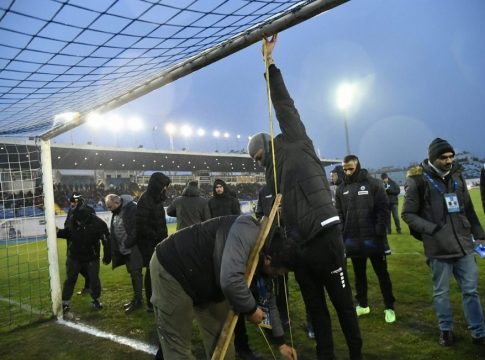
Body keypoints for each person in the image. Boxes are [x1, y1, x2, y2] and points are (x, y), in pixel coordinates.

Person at [247, 34, 362, 360]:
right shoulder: (268, 183)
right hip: (300, 252)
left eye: (259, 155)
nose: (259, 162)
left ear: (267, 143)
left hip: (325, 238)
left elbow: (284, 104)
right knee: (316, 311)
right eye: (255, 160)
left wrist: (269, 65)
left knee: (342, 304)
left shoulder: (295, 139)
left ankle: (356, 353)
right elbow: (271, 222)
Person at [150, 215, 298, 360]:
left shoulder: (264, 258)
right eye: (279, 272)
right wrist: (251, 309)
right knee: (178, 348)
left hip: (209, 281)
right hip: (173, 269)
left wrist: (281, 343)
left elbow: (269, 304)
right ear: (268, 259)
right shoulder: (246, 230)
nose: (277, 276)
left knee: (222, 341)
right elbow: (230, 280)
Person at [402, 138, 485, 346]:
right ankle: (446, 330)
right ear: (432, 159)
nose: (449, 161)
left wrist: (479, 233)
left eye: (451, 156)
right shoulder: (418, 180)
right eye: (443, 158)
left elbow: (468, 208)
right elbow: (408, 214)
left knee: (471, 291)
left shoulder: (458, 174)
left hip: (464, 244)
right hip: (438, 248)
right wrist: (433, 230)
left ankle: (479, 331)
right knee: (442, 293)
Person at [335, 155, 396, 323]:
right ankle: (363, 305)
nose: (347, 172)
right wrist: (342, 231)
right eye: (344, 169)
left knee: (382, 274)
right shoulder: (341, 189)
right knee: (358, 275)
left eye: (350, 168)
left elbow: (383, 210)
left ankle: (389, 307)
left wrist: (378, 232)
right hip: (353, 240)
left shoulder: (373, 184)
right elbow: (338, 213)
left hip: (373, 240)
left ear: (358, 165)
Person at [58, 207, 110, 313]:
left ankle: (96, 299)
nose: (76, 222)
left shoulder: (98, 223)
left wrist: (107, 254)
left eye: (78, 221)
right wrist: (58, 232)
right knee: (70, 279)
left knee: (94, 279)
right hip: (74, 256)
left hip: (91, 256)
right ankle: (65, 302)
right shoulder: (72, 220)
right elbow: (68, 233)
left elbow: (106, 239)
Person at [136, 172, 171, 312]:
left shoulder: (157, 199)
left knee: (159, 272)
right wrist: (156, 236)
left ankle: (159, 297)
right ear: (157, 185)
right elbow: (141, 225)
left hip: (159, 242)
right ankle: (151, 303)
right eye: (164, 186)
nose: (165, 189)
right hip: (149, 244)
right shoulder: (145, 200)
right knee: (151, 272)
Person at [105, 194, 144, 314]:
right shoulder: (118, 211)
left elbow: (137, 228)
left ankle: (138, 301)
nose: (109, 209)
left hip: (133, 248)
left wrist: (128, 242)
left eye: (110, 206)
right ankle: (136, 299)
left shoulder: (132, 209)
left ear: (117, 203)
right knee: (133, 274)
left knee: (136, 273)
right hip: (125, 249)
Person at [62, 193, 96, 295]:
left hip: (84, 245)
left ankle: (90, 287)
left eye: (73, 202)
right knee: (80, 267)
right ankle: (88, 286)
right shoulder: (71, 211)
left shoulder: (88, 210)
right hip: (73, 244)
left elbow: (92, 227)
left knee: (76, 267)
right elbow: (67, 225)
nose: (72, 204)